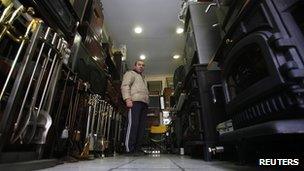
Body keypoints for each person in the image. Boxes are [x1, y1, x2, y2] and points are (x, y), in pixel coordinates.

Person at [121, 60, 149, 156]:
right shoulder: (130, 73)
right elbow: (125, 86)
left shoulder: (143, 77)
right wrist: (127, 99)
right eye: (139, 64)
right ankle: (129, 148)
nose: (141, 66)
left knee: (141, 127)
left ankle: (137, 148)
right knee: (133, 124)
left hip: (144, 103)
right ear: (135, 65)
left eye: (143, 65)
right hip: (135, 102)